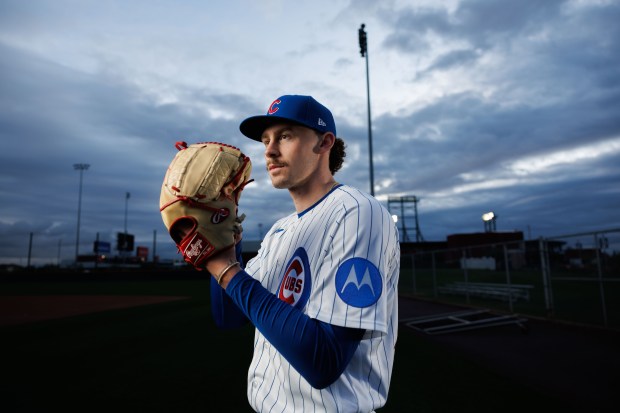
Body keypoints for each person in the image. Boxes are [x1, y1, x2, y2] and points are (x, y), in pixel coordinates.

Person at [205, 95, 400, 412]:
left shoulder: (357, 213)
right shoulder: (278, 231)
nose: (269, 150)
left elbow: (324, 360)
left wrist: (226, 271)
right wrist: (224, 243)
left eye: (285, 135)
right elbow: (228, 317)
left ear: (324, 143)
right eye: (266, 139)